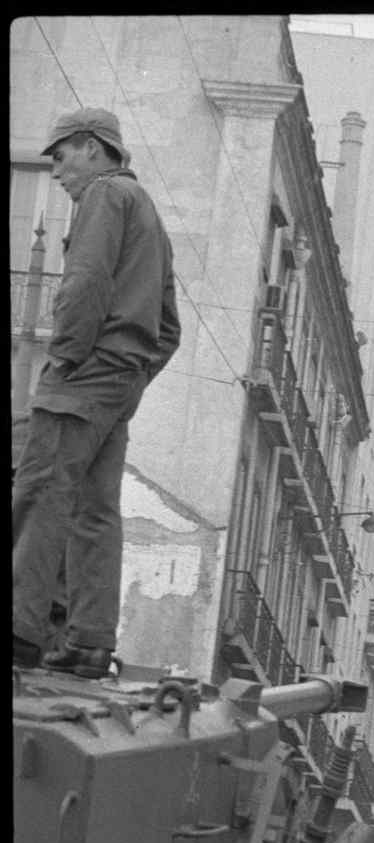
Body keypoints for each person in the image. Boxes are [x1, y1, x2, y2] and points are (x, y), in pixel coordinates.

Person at [13, 108, 180, 676]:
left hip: (85, 374)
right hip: (120, 379)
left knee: (40, 492)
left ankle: (19, 628)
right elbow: (169, 327)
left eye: (61, 158)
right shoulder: (147, 210)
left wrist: (67, 358)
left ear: (91, 147)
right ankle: (89, 642)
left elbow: (84, 283)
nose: (58, 173)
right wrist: (130, 372)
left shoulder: (104, 195)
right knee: (95, 509)